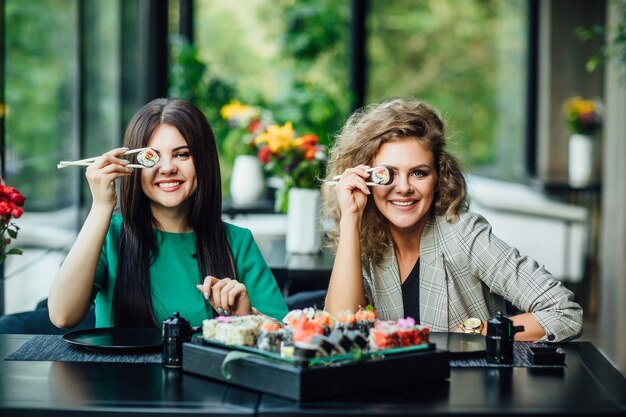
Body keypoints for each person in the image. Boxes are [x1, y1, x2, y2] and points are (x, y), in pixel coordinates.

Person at [322, 97, 583, 343]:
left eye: (418, 173)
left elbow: (563, 311)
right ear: (366, 178)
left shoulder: (464, 234)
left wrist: (480, 331)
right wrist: (351, 219)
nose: (403, 187)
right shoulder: (365, 240)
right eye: (387, 174)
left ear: (438, 178)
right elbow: (340, 331)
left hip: (466, 387)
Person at [49, 98, 288, 329]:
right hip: (119, 371)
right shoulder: (108, 233)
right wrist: (101, 206)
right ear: (132, 165)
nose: (167, 168)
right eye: (151, 157)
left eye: (182, 154)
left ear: (203, 160)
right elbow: (63, 316)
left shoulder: (237, 242)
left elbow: (285, 335)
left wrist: (247, 318)